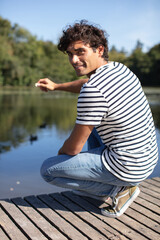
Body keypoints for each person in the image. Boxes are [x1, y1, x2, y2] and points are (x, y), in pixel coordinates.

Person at [36, 20, 158, 218]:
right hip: (147, 159)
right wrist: (56, 86)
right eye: (70, 54)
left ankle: (117, 190)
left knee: (49, 169)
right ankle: (106, 183)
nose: (74, 59)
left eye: (80, 52)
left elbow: (72, 148)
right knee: (95, 126)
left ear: (99, 50)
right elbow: (85, 83)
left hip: (128, 165)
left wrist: (63, 162)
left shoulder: (93, 91)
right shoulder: (119, 69)